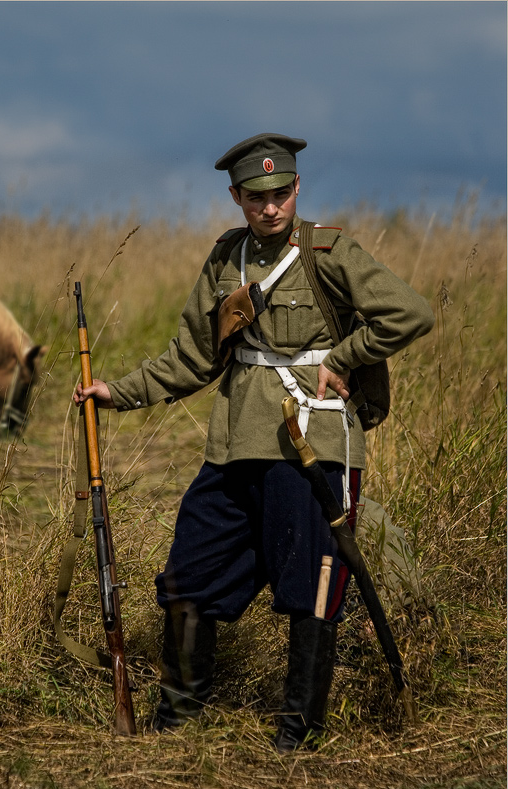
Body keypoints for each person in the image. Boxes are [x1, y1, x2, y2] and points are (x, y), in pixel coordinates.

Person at [74, 133, 434, 751]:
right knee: (190, 573)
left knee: (310, 588)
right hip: (236, 444)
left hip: (313, 446)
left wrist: (345, 357)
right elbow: (192, 353)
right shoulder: (225, 260)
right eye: (257, 196)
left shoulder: (329, 251)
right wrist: (119, 391)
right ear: (237, 196)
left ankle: (298, 733)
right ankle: (176, 720)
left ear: (296, 188)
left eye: (281, 192)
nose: (271, 206)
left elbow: (410, 314)